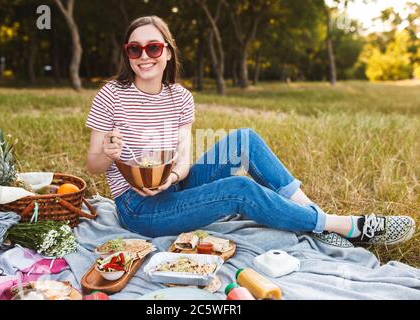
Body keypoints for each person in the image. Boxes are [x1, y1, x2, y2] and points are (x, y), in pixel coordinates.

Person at [86, 16, 415, 246]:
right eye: (135, 49)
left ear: (167, 52)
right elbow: (94, 166)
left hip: (172, 186)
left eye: (153, 48)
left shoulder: (180, 97)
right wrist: (109, 153)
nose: (144, 56)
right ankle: (343, 226)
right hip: (138, 208)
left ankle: (314, 220)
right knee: (240, 189)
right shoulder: (111, 95)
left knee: (244, 139)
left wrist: (170, 179)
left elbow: (183, 160)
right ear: (127, 54)